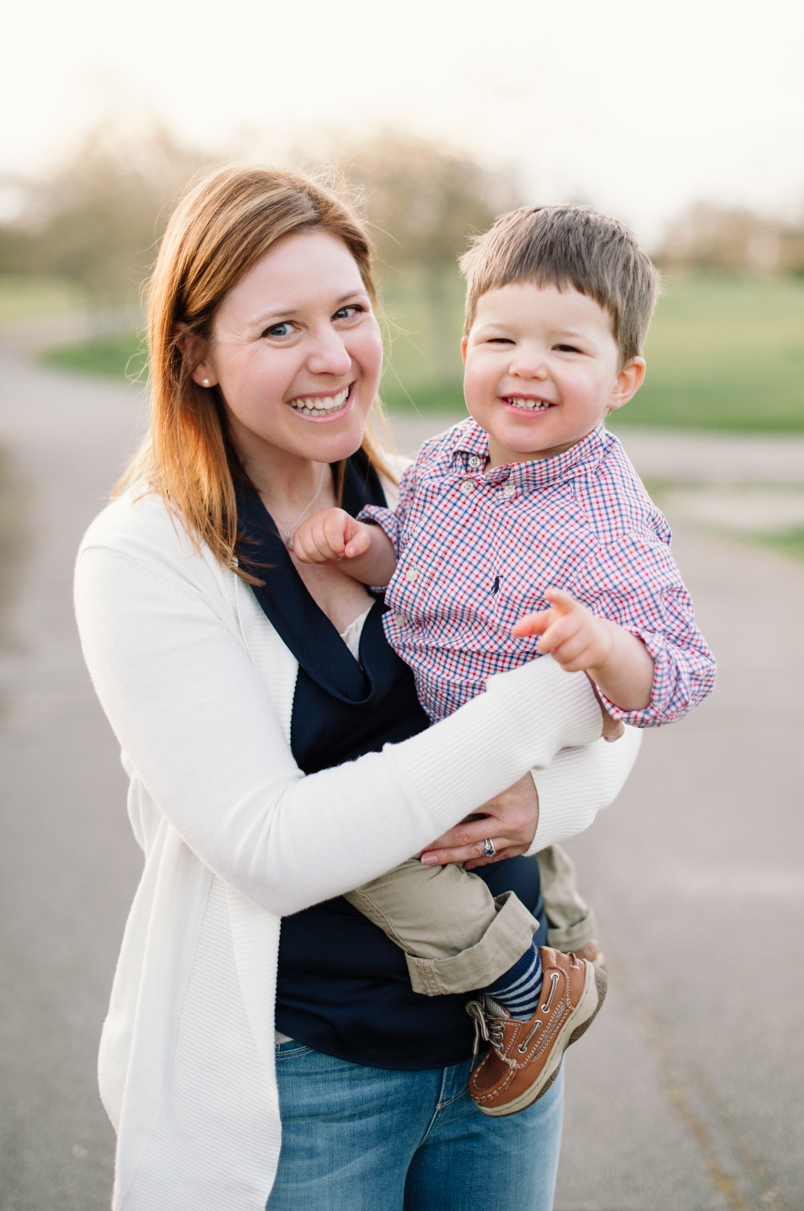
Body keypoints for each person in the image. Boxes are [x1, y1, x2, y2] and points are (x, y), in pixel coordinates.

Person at [73, 167, 641, 1211]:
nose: (332, 357)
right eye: (280, 329)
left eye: (347, 312)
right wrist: (542, 706)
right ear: (194, 354)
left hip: (502, 1060)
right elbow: (272, 849)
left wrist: (542, 800)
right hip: (302, 1078)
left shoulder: (445, 492)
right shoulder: (145, 556)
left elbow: (623, 704)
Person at [292, 204, 717, 1116]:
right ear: (465, 349)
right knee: (531, 864)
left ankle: (522, 988)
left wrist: (606, 648)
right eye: (502, 338)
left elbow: (681, 673)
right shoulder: (444, 459)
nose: (527, 364)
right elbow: (411, 563)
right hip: (445, 722)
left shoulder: (608, 518)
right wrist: (357, 547)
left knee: (360, 842)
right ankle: (568, 943)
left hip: (494, 748)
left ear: (624, 377)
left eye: (566, 349)